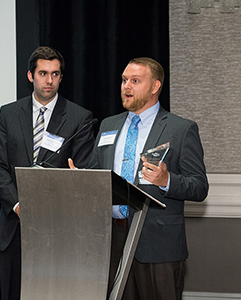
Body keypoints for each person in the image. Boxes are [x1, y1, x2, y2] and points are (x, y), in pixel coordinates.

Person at [70, 57, 209, 300]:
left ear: (155, 86)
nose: (126, 86)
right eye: (124, 80)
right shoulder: (107, 125)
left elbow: (199, 187)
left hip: (158, 245)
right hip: (111, 241)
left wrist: (167, 180)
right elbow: (97, 174)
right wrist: (83, 181)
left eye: (135, 81)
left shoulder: (181, 129)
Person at [0, 46, 95, 300]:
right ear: (30, 76)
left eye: (55, 74)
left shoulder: (80, 118)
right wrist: (18, 206)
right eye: (43, 73)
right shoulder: (9, 113)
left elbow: (84, 170)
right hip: (15, 227)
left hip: (58, 229)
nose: (50, 80)